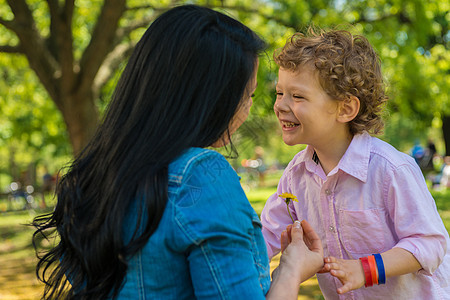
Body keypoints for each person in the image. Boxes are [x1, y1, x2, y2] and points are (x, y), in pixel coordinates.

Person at [32, 5, 324, 300]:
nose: (249, 107)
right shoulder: (200, 177)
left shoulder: (93, 176)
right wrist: (291, 269)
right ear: (210, 97)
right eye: (247, 94)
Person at [260, 27, 450, 299]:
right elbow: (265, 234)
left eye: (297, 96)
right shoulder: (295, 177)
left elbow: (430, 243)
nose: (280, 105)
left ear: (345, 108)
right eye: (280, 93)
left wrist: (366, 269)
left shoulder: (390, 170)